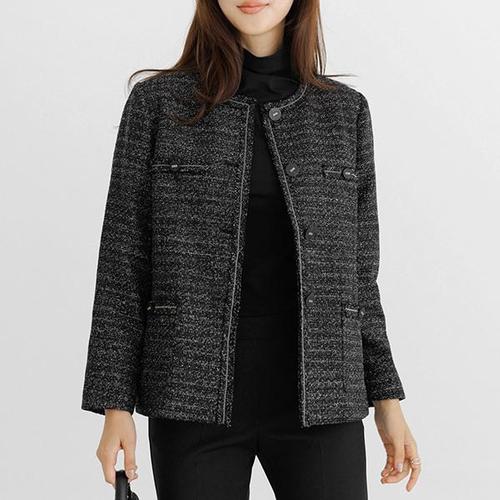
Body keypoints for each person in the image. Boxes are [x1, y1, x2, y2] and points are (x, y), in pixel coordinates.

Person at [81, 1, 421, 498]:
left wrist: (387, 398)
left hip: (323, 398)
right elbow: (123, 261)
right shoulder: (158, 104)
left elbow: (359, 278)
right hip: (190, 396)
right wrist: (116, 405)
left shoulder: (343, 112)